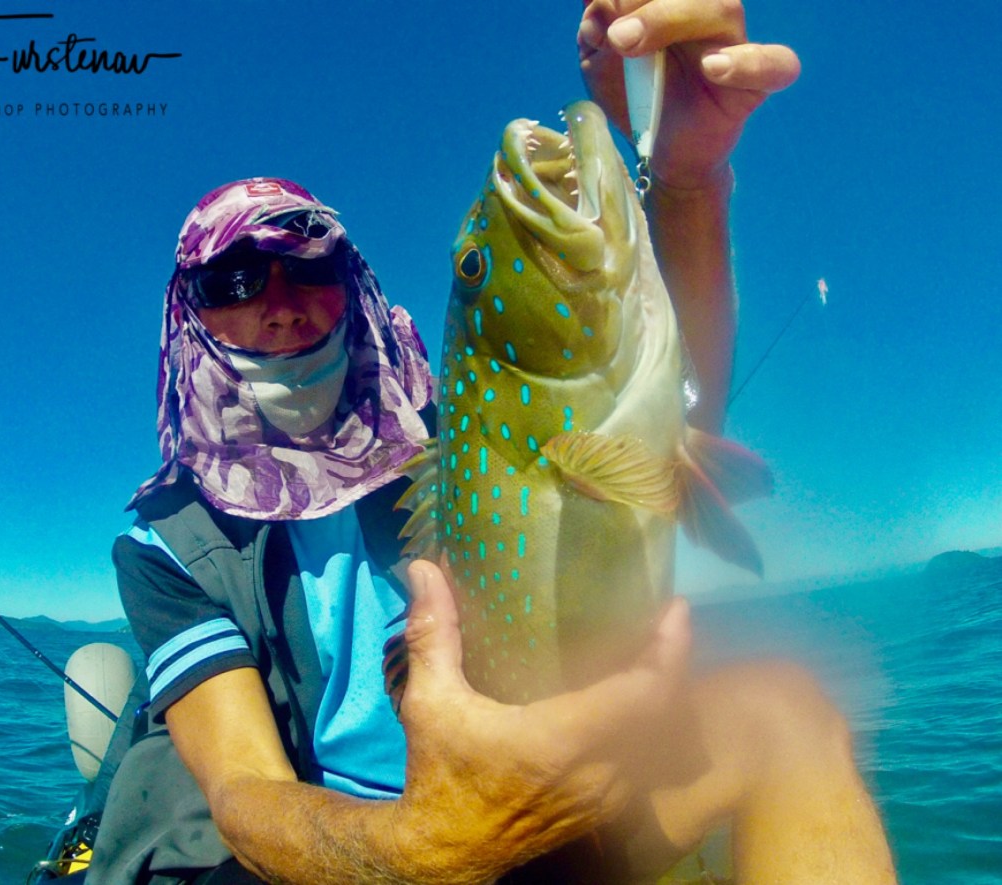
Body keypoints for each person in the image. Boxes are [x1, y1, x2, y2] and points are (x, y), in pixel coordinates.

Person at [86, 1, 898, 883]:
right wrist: (432, 844)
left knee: (785, 707)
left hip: (567, 779)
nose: (279, 302)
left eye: (309, 268)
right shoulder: (168, 540)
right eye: (234, 279)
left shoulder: (456, 425)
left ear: (353, 286)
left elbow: (654, 402)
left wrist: (689, 178)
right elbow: (243, 786)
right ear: (189, 315)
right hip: (356, 839)